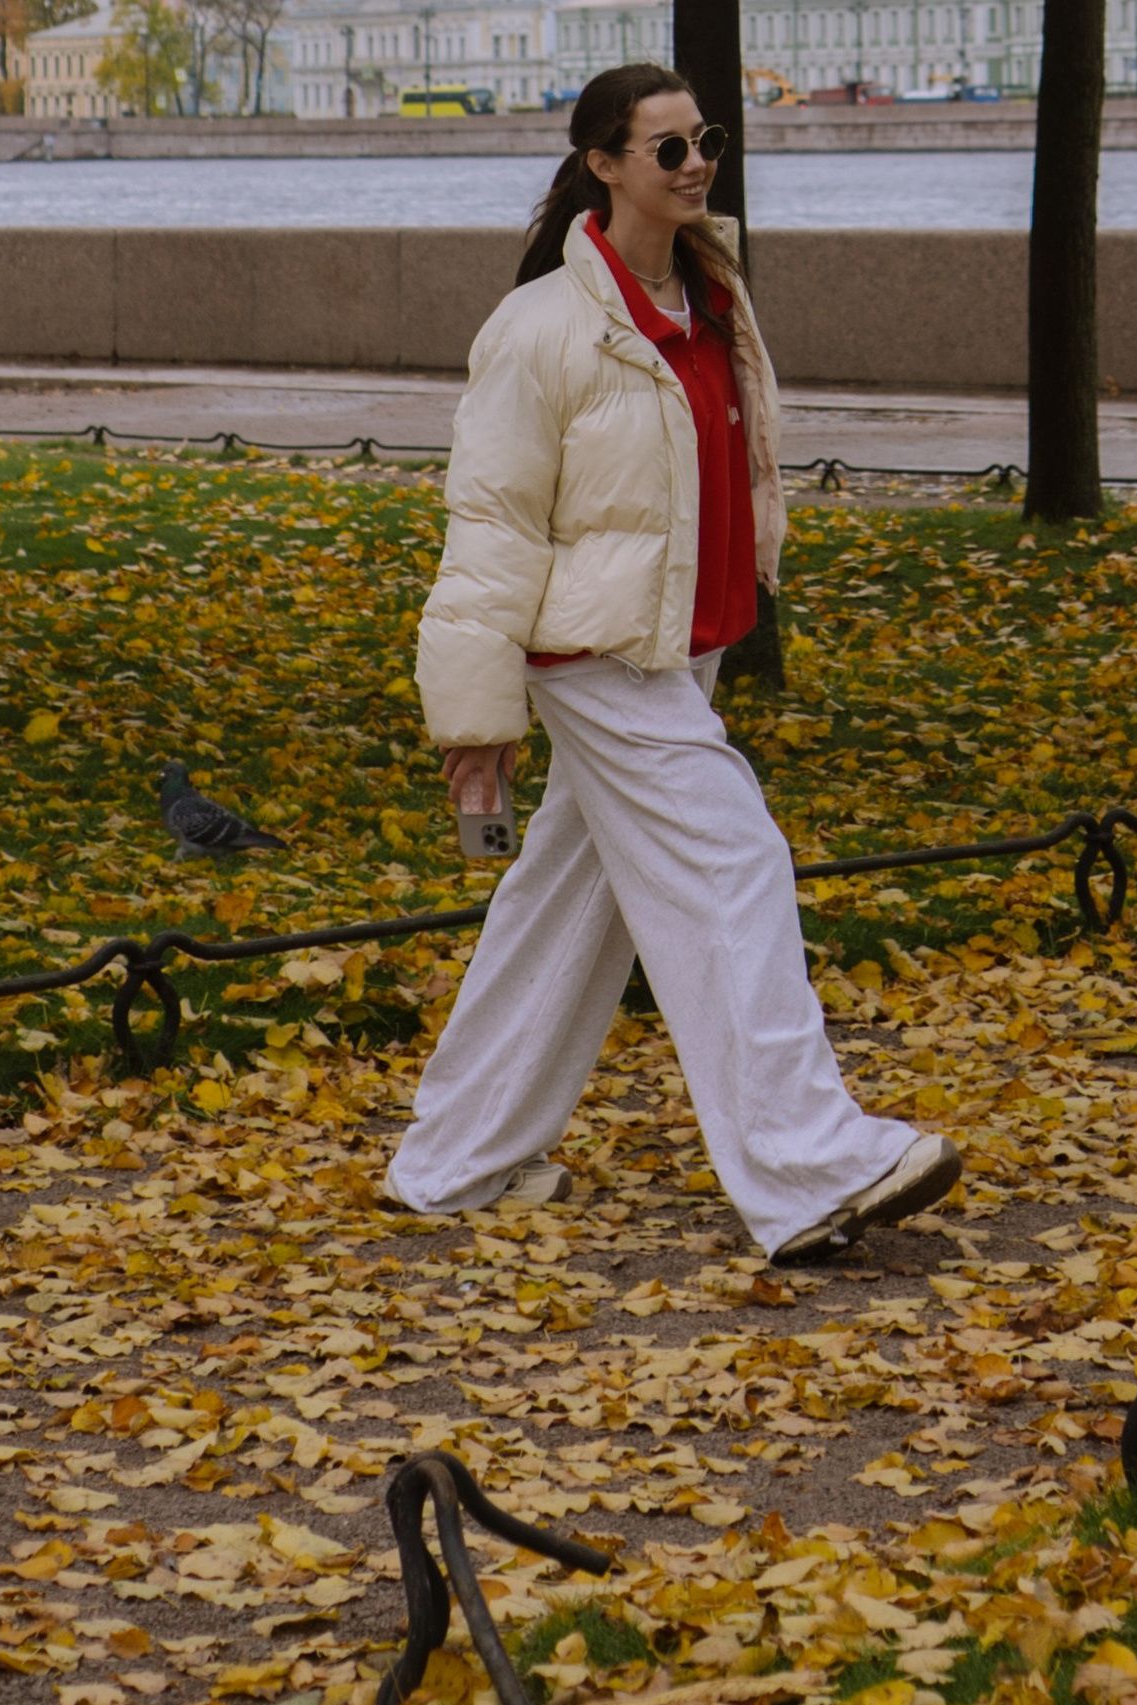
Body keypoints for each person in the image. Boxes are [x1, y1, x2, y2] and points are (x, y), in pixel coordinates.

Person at [383, 61, 961, 1263]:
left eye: (706, 140)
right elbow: (488, 528)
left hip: (680, 643)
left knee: (567, 905)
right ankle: (808, 1168)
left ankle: (452, 1160)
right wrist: (476, 717)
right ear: (603, 164)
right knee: (734, 859)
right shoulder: (539, 329)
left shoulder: (712, 295)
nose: (696, 163)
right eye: (668, 149)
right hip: (592, 653)